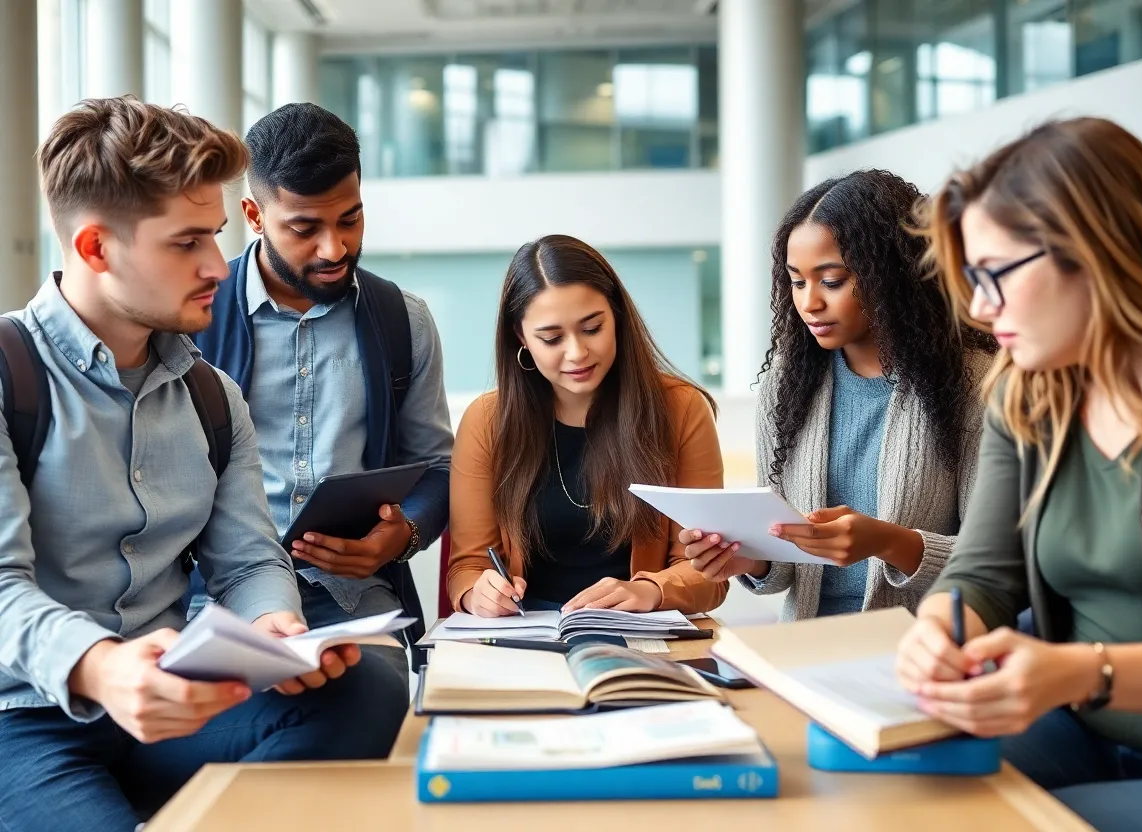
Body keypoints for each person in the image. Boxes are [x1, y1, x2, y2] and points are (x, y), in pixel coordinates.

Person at [0, 97, 406, 832]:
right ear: (95, 248)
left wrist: (279, 632)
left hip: (174, 697)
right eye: (187, 243)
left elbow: (248, 561)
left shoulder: (211, 395)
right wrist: (99, 667)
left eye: (216, 237)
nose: (219, 266)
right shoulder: (8, 376)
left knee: (368, 691)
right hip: (21, 718)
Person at [895, 117, 1142, 832]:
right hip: (1077, 729)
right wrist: (942, 632)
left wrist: (1081, 671)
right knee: (890, 798)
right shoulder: (1028, 389)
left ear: (1094, 252)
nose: (979, 308)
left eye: (992, 275)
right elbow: (982, 577)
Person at [192, 103, 454, 682]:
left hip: (355, 601)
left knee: (378, 704)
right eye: (305, 228)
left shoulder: (401, 320)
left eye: (350, 219)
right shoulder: (194, 316)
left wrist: (401, 534)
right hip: (211, 600)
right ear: (253, 215)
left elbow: (438, 468)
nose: (334, 249)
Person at [680, 170, 993, 620]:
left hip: (921, 647)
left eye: (831, 280)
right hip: (807, 646)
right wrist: (747, 559)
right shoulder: (787, 385)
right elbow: (786, 563)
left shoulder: (975, 385)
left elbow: (994, 562)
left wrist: (889, 541)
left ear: (891, 275)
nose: (808, 303)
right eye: (796, 281)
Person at [447, 234, 727, 617]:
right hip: (529, 633)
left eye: (592, 328)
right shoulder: (486, 422)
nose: (577, 353)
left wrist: (650, 590)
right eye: (551, 338)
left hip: (638, 629)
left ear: (617, 317)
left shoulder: (681, 409)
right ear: (521, 338)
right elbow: (467, 568)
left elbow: (710, 573)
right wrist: (476, 594)